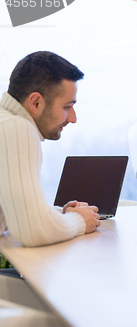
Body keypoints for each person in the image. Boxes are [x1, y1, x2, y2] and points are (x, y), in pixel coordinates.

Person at [0, 51, 101, 248]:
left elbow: (19, 214)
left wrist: (58, 216)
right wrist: (80, 221)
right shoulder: (16, 127)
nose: (73, 118)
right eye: (66, 107)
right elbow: (33, 231)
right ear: (36, 103)